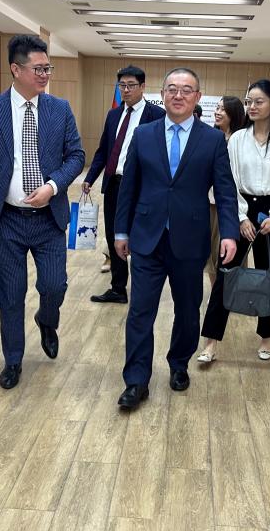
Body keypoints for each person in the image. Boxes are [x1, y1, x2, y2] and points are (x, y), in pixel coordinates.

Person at [113, 68, 238, 411]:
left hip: (190, 240)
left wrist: (229, 232)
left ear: (198, 97)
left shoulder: (212, 140)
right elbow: (129, 187)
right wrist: (121, 231)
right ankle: (136, 380)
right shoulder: (144, 134)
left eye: (186, 90)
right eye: (172, 89)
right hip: (147, 238)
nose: (178, 95)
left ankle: (179, 363)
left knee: (187, 310)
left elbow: (225, 191)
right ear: (162, 95)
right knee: (140, 311)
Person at [0, 35, 85, 390]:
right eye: (39, 69)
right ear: (16, 69)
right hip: (7, 221)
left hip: (49, 219)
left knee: (54, 286)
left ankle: (47, 320)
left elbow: (76, 156)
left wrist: (52, 186)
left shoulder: (59, 109)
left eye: (48, 68)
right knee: (11, 294)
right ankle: (13, 360)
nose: (45, 74)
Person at [198, 80, 270, 363]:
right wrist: (241, 217)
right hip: (239, 208)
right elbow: (228, 181)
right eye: (248, 102)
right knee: (226, 273)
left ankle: (267, 336)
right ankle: (210, 342)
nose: (251, 107)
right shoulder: (237, 140)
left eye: (258, 101)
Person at [82, 66, 165, 304]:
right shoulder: (114, 115)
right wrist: (90, 177)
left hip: (141, 188)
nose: (125, 90)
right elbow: (104, 150)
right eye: (122, 86)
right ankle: (118, 288)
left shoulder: (157, 115)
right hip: (114, 184)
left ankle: (142, 289)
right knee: (113, 235)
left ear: (142, 87)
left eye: (131, 85)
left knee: (139, 236)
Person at [206, 96, 247, 282]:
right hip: (209, 203)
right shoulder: (212, 138)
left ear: (234, 114)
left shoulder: (240, 142)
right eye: (217, 108)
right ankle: (216, 292)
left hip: (230, 206)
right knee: (211, 254)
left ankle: (229, 293)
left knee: (227, 253)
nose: (217, 112)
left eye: (223, 109)